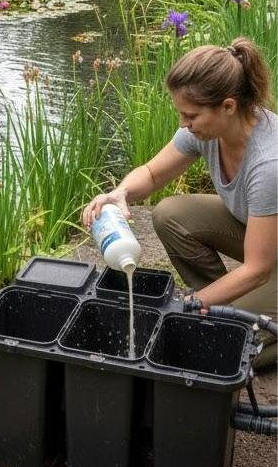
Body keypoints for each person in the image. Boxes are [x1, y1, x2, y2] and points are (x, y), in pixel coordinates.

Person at [83, 37, 277, 369]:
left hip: (265, 261)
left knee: (222, 344)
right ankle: (221, 305)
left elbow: (258, 270)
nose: (182, 124)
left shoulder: (268, 164)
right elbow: (153, 173)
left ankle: (236, 319)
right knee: (172, 214)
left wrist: (189, 305)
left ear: (228, 106)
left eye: (190, 116)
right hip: (266, 243)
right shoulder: (210, 128)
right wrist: (121, 193)